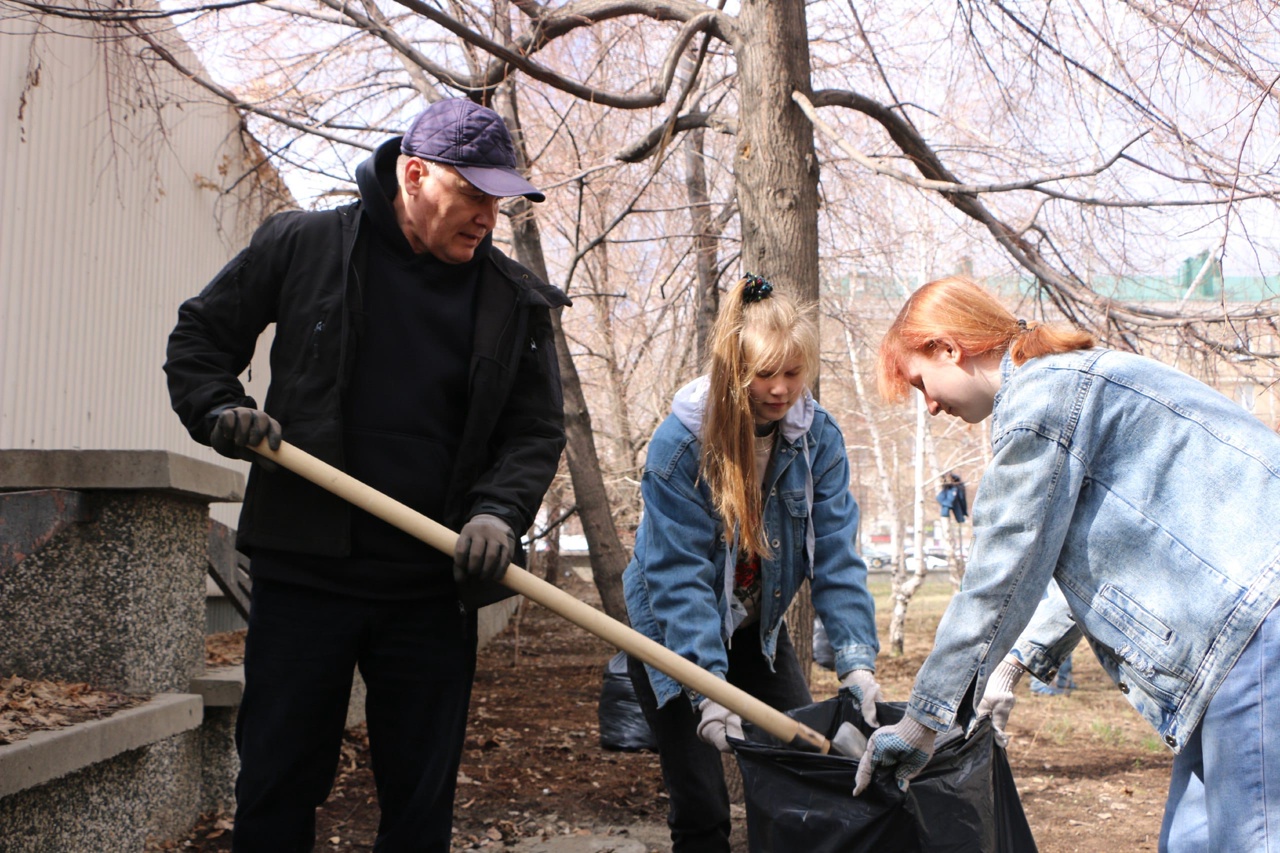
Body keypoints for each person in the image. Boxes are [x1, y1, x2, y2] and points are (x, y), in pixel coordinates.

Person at [164, 98, 570, 852]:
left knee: (419, 808)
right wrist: (221, 407)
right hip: (303, 575)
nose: (488, 217)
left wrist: (497, 513)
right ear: (414, 175)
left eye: (499, 200)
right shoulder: (304, 245)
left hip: (432, 587)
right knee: (278, 784)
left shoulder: (512, 300)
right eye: (473, 194)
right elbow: (200, 340)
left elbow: (534, 431)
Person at [856, 275, 1280, 853]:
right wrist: (1013, 664)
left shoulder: (1043, 400)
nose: (928, 406)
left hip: (1254, 632)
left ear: (948, 348)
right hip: (1236, 637)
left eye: (920, 383)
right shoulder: (1066, 384)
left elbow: (1000, 569)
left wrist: (922, 720)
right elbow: (1085, 564)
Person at [624, 274, 882, 852]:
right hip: (672, 632)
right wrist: (706, 686)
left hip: (753, 627)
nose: (781, 389)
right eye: (765, 373)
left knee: (801, 764)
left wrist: (856, 661)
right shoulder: (680, 447)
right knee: (701, 804)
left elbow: (837, 554)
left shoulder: (817, 439)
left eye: (794, 372)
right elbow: (679, 577)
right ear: (735, 370)